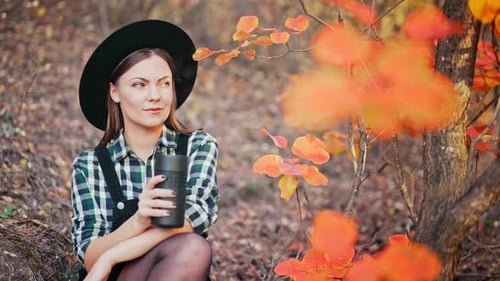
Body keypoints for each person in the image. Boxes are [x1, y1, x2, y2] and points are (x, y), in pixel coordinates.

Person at [71, 19, 219, 281]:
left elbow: (192, 220)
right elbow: (90, 256)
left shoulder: (197, 147)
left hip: (181, 266)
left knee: (192, 247)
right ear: (115, 92)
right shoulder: (91, 166)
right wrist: (139, 221)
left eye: (164, 83)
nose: (155, 95)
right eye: (139, 84)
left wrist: (112, 255)